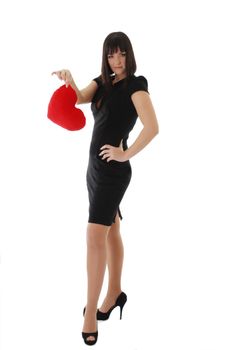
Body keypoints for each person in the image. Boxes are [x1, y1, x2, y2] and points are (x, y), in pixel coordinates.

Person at [52, 31, 159, 346]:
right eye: (112, 55)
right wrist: (70, 79)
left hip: (113, 172)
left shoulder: (136, 86)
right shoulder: (102, 82)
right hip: (94, 171)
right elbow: (80, 98)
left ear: (129, 54)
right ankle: (114, 293)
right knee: (111, 229)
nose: (117, 60)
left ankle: (90, 316)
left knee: (93, 236)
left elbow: (153, 127)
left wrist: (125, 153)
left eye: (122, 54)